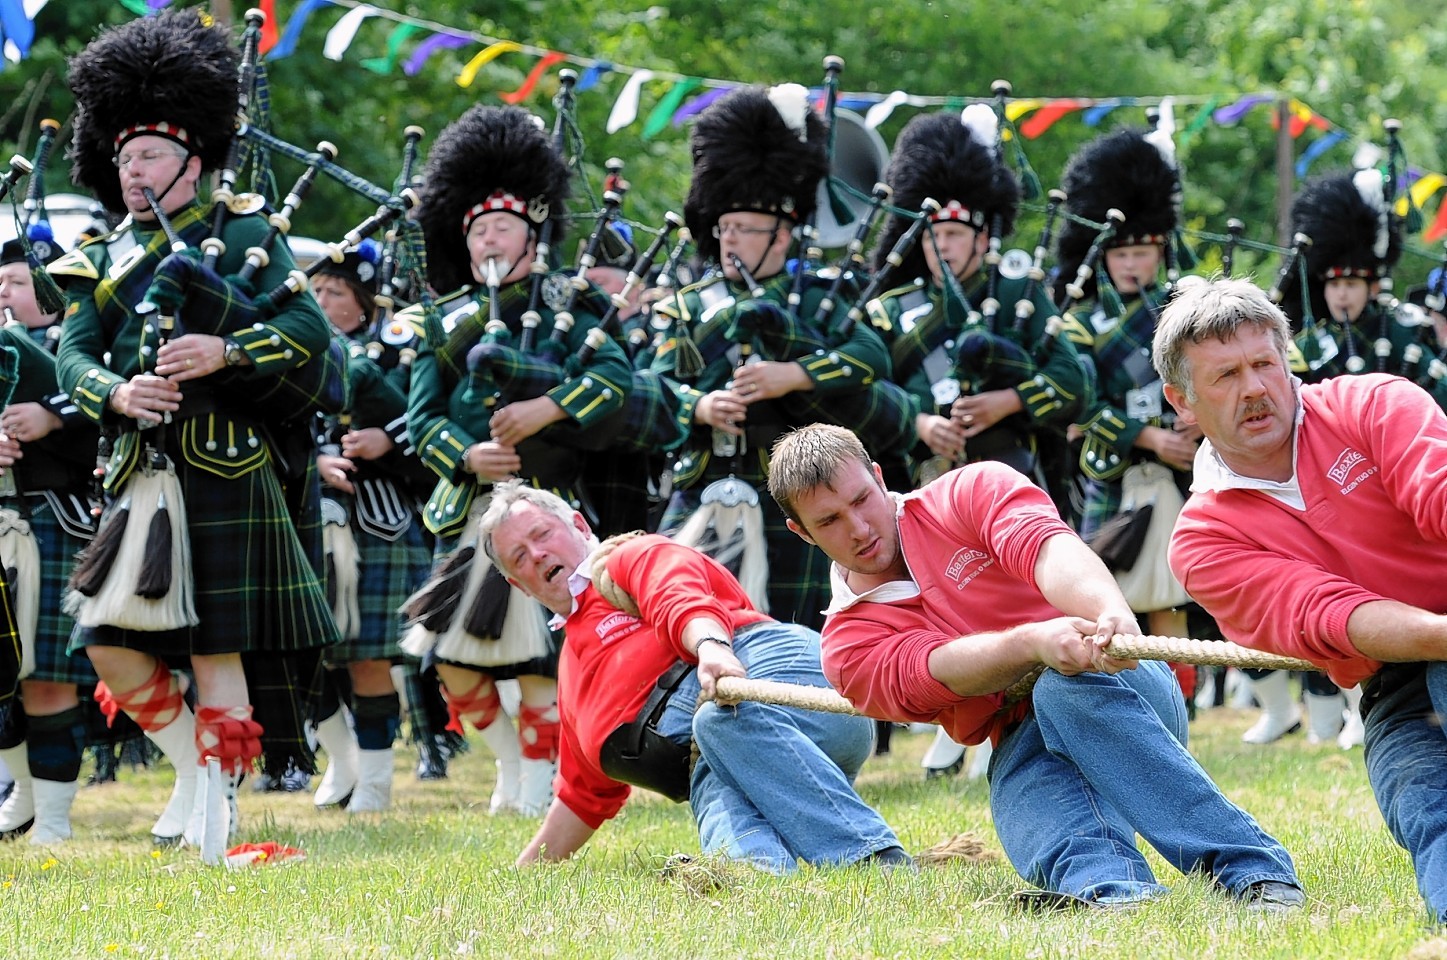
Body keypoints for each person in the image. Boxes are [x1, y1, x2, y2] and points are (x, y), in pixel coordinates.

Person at [768, 422, 1303, 911]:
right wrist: (1031, 643)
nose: (858, 527)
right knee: (1054, 836)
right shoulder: (845, 646)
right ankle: (1119, 900)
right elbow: (933, 671)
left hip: (1115, 680)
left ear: (880, 477)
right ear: (802, 532)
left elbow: (1046, 548)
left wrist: (1108, 611)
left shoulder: (968, 490)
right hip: (1021, 743)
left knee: (1061, 690)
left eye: (862, 499)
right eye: (830, 521)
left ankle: (1256, 874)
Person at [51, 9, 340, 846]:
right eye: (123, 155)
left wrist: (226, 351)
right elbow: (71, 355)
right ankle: (192, 767)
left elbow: (312, 338)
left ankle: (219, 804)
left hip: (226, 470)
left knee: (217, 648)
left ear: (195, 157)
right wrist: (115, 391)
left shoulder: (247, 232)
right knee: (107, 643)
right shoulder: (97, 259)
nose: (131, 169)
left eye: (147, 154)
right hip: (137, 472)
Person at [1157, 276, 1447, 924]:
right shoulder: (1202, 542)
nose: (1255, 388)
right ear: (1180, 400)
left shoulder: (1372, 403)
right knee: (1426, 809)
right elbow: (1330, 614)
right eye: (1226, 375)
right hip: (1392, 686)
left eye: (1264, 363)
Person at [476, 480, 908, 872]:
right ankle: (757, 883)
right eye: (521, 556)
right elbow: (582, 796)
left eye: (541, 534)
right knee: (715, 774)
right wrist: (523, 873)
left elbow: (677, 596)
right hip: (734, 756)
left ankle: (874, 860)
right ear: (519, 585)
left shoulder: (632, 557)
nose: (537, 554)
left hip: (789, 681)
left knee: (718, 721)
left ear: (576, 523)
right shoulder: (571, 676)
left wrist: (711, 647)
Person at [404, 104, 631, 815]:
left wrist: (548, 409)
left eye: (501, 225)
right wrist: (465, 454)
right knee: (451, 665)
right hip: (469, 512)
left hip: (547, 507)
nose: (487, 238)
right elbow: (420, 419)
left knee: (538, 658)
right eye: (475, 229)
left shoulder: (570, 301)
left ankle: (539, 781)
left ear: (534, 232)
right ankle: (509, 764)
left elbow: (615, 378)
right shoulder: (442, 319)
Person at [648, 84, 914, 629]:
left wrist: (790, 375)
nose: (729, 240)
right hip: (707, 480)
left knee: (803, 631)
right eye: (724, 227)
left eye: (745, 228)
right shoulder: (688, 304)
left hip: (800, 495)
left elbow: (869, 357)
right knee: (687, 622)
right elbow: (654, 386)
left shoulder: (821, 294)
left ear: (784, 231)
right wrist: (700, 407)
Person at [1053, 127, 1200, 714]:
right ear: (1102, 255)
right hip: (1112, 472)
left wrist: (1196, 419)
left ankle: (1178, 704)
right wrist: (1146, 436)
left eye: (1142, 252)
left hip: (1181, 473)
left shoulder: (1184, 310)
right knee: (1105, 594)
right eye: (1121, 253)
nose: (1132, 264)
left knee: (1170, 598)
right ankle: (1121, 702)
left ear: (1160, 250)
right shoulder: (1079, 324)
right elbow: (1074, 402)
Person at [865, 108, 1085, 491]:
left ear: (982, 240)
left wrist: (1010, 400)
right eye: (934, 235)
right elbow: (865, 385)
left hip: (1010, 474)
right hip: (920, 477)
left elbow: (1074, 379)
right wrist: (919, 422)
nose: (942, 246)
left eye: (954, 234)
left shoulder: (1019, 294)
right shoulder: (892, 307)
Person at [306, 242, 435, 812]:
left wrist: (388, 443)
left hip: (375, 523)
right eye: (316, 291)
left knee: (367, 657)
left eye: (336, 292)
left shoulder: (391, 354)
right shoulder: (295, 351)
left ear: (362, 303)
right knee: (303, 654)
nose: (323, 301)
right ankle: (343, 760)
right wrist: (314, 463)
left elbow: (429, 423)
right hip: (308, 518)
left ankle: (377, 785)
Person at [0, 230, 100, 843]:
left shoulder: (75, 345)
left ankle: (55, 820)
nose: (6, 295)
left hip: (49, 522)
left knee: (45, 677)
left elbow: (112, 416)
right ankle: (25, 798)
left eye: (15, 281)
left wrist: (55, 416)